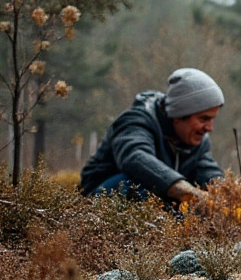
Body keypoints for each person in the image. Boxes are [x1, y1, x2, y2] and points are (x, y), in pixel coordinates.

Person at [80, 67, 225, 205]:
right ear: (178, 115)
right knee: (134, 184)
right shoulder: (135, 121)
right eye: (204, 119)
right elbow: (136, 158)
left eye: (212, 119)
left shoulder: (195, 139)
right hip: (97, 199)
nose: (210, 128)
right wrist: (188, 193)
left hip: (154, 207)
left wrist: (228, 198)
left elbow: (209, 174)